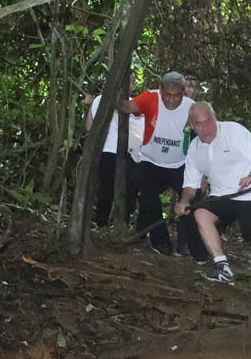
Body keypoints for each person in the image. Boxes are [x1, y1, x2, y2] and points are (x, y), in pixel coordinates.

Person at [174, 102, 251, 303]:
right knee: (200, 213)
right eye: (200, 124)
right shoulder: (194, 148)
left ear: (214, 117)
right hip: (222, 195)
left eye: (209, 121)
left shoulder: (233, 131)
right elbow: (191, 185)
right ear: (192, 126)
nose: (206, 127)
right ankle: (223, 268)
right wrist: (183, 201)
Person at [118, 71, 200, 256]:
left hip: (180, 164)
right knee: (148, 198)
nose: (171, 100)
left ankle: (185, 242)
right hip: (150, 161)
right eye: (167, 95)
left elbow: (201, 136)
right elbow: (128, 107)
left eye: (177, 95)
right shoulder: (150, 97)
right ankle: (160, 241)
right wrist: (113, 97)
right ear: (161, 90)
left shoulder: (191, 107)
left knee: (192, 199)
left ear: (183, 92)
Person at [85, 72, 144, 227]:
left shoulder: (135, 105)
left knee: (129, 188)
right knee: (107, 189)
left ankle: (120, 223)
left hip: (127, 153)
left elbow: (141, 134)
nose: (127, 86)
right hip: (107, 151)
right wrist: (89, 107)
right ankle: (102, 223)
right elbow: (90, 128)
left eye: (131, 82)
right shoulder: (101, 100)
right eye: (125, 81)